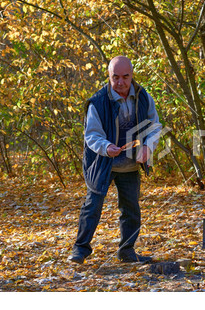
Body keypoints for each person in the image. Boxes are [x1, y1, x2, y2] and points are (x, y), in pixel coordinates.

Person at [68, 56, 161, 264]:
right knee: (92, 207)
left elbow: (154, 126)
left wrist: (147, 146)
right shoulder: (98, 101)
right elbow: (91, 135)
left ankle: (127, 251)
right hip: (103, 163)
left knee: (131, 210)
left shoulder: (143, 97)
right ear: (109, 76)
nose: (120, 82)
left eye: (125, 77)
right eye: (115, 77)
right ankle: (80, 250)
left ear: (132, 75)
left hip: (130, 166)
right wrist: (106, 147)